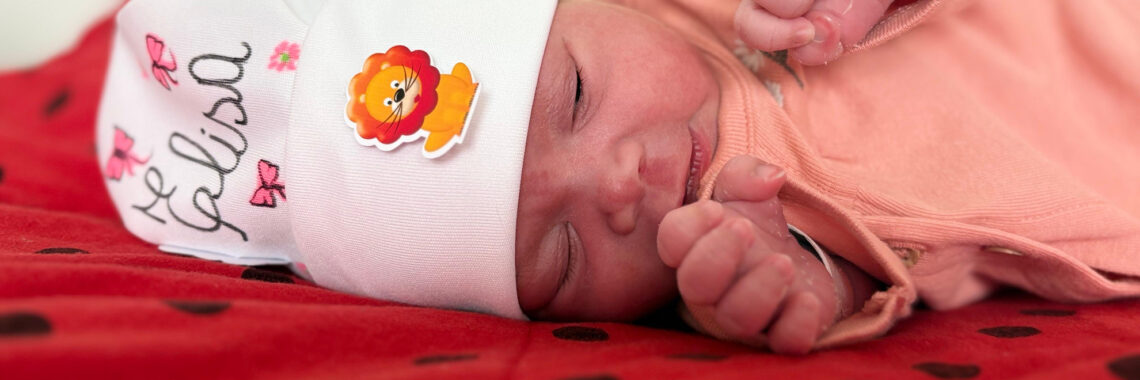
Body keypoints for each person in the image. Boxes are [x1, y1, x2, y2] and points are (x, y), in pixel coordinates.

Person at [98, 0, 1140, 355]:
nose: (616, 186)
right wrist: (807, 278)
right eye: (559, 255)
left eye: (577, 94)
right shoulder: (721, 255)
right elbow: (889, 261)